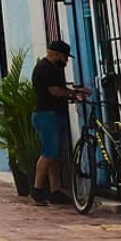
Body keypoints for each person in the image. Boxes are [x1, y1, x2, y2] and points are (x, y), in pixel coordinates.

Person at [30, 40, 90, 206]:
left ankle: (55, 190)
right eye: (64, 57)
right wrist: (74, 93)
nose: (66, 61)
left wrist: (71, 94)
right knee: (49, 153)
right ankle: (37, 190)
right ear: (55, 54)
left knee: (55, 155)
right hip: (47, 115)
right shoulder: (44, 69)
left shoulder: (54, 69)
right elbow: (55, 91)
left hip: (54, 114)